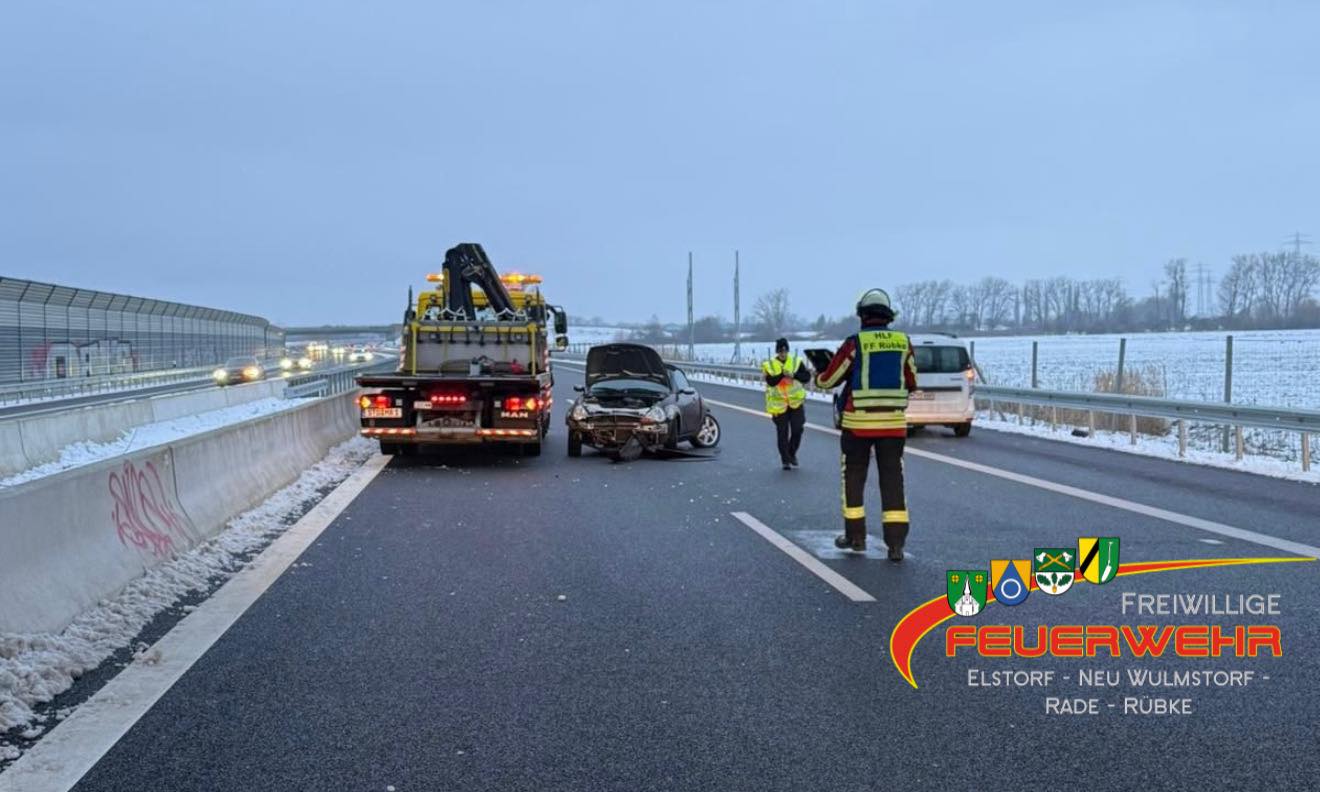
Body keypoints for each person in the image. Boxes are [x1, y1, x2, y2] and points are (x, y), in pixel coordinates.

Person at [814, 289, 918, 561]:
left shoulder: (855, 343)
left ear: (862, 315)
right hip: (894, 426)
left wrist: (819, 375)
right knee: (893, 481)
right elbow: (912, 380)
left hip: (857, 425)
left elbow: (829, 379)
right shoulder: (903, 342)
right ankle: (896, 544)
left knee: (854, 479)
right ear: (888, 316)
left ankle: (856, 537)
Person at [762, 337, 811, 470]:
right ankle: (785, 460)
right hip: (779, 405)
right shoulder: (769, 365)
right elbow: (771, 381)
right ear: (777, 352)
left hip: (795, 403)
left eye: (785, 351)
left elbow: (806, 377)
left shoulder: (796, 362)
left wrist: (793, 375)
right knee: (782, 432)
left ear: (788, 350)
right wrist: (782, 376)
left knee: (797, 429)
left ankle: (791, 453)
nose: (783, 353)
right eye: (780, 351)